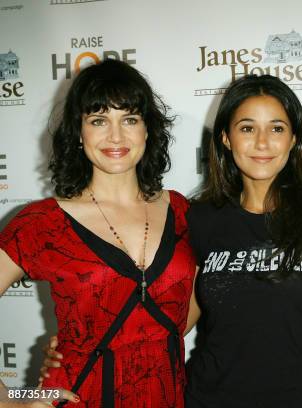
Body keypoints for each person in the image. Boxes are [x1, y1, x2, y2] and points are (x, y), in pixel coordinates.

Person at [0, 59, 196, 407]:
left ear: (147, 130)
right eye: (99, 120)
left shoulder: (182, 213)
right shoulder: (42, 223)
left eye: (130, 119)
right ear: (79, 132)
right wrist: (10, 400)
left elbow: (185, 309)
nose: (116, 136)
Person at [183, 75, 302, 407]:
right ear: (225, 137)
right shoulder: (202, 218)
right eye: (247, 128)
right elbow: (173, 322)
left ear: (294, 139)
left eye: (277, 128)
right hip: (205, 398)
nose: (262, 143)